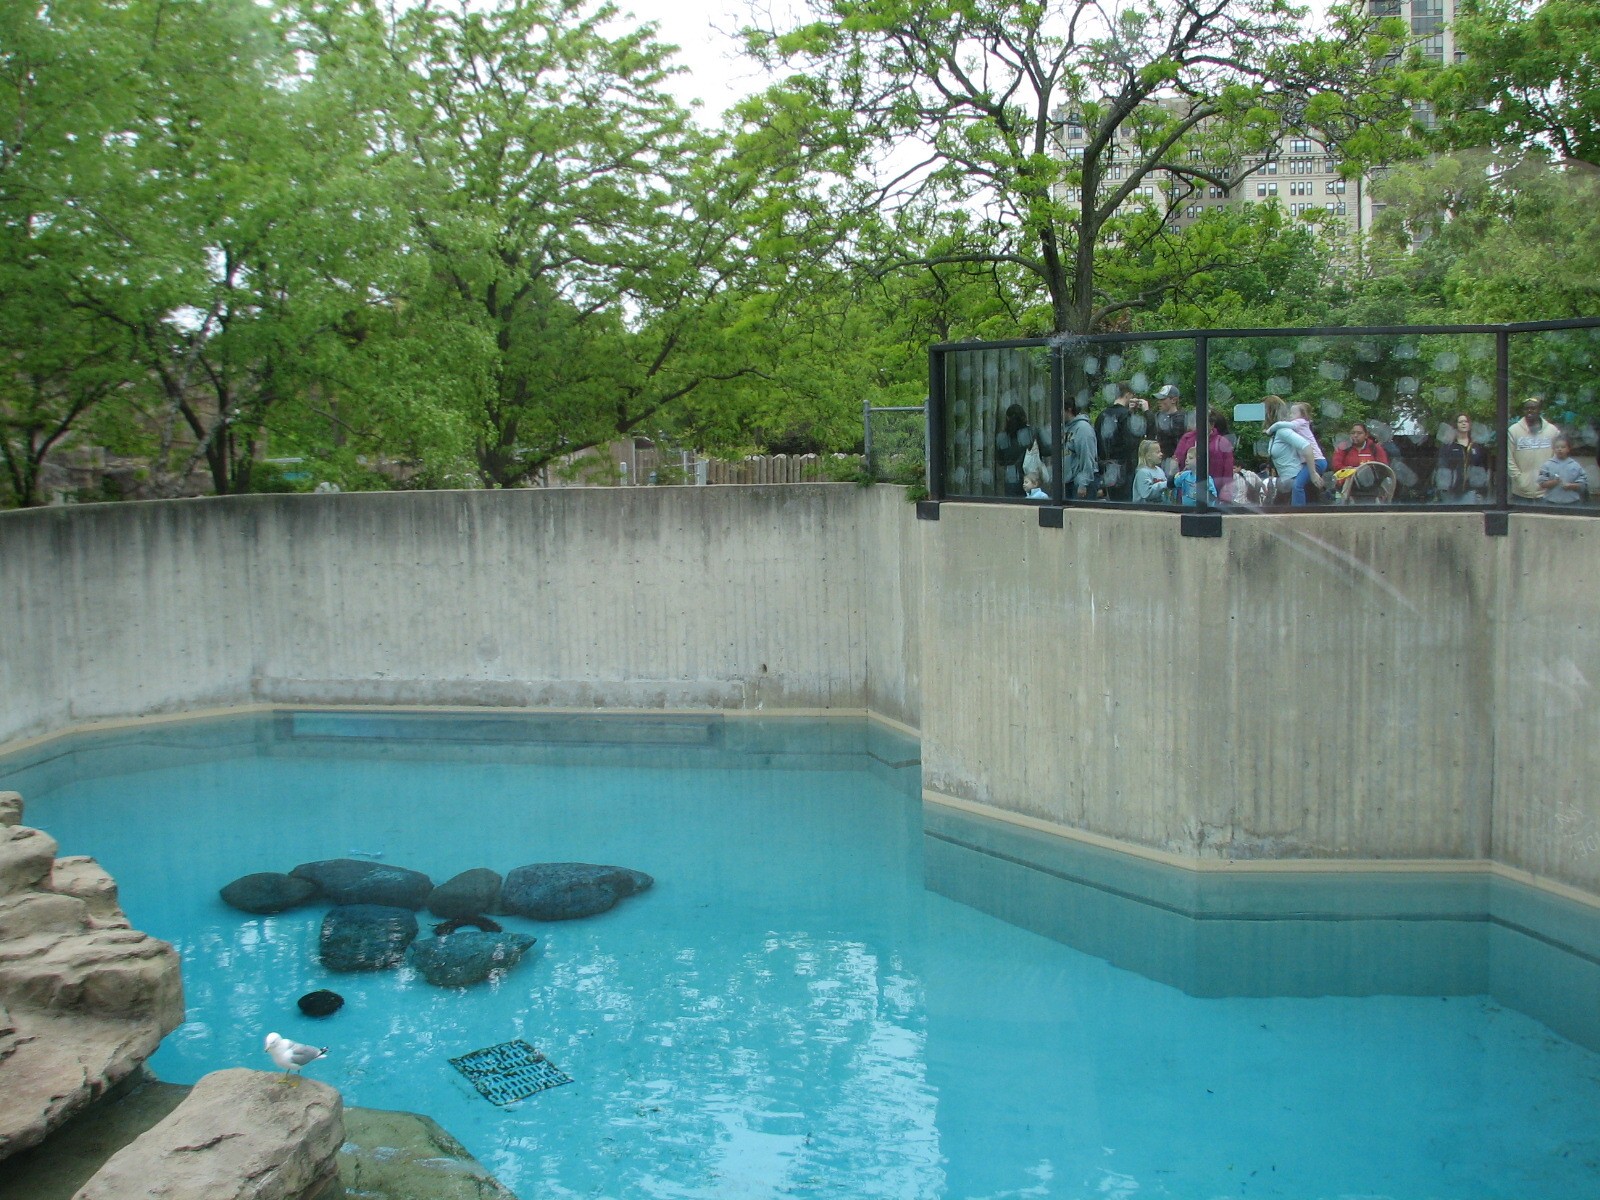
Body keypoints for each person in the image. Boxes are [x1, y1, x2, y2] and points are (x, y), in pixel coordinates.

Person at [1262, 395, 1322, 506]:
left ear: (1269, 412)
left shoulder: (1283, 431)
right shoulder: (1277, 432)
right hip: (1287, 483)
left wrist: (1313, 474)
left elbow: (1307, 447)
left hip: (1294, 482)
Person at [1097, 383, 1146, 501]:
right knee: (1125, 504)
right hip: (1125, 468)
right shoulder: (1125, 415)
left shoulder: (1102, 416)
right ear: (1128, 395)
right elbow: (1131, 443)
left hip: (1105, 466)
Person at [1175, 411, 1237, 502]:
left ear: (1212, 424)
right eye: (1197, 421)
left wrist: (1225, 497)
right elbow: (1177, 462)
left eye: (1203, 422)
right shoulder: (1187, 438)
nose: (1198, 425)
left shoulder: (1222, 442)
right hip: (1187, 495)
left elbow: (1227, 473)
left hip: (1212, 495)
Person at [1508, 397, 1561, 502]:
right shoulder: (1513, 431)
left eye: (1533, 408)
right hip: (1520, 492)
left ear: (1539, 410)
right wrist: (1520, 480)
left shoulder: (1552, 431)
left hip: (1546, 492)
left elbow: (1558, 457)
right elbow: (1509, 459)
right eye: (1526, 408)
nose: (1530, 411)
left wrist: (1550, 479)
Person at [994, 403, 1048, 498]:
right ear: (1024, 417)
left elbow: (1000, 460)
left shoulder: (1001, 437)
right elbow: (1047, 451)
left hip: (1011, 477)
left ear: (1007, 418)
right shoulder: (1032, 432)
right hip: (1031, 477)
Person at [1331, 422, 1394, 503]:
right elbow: (1336, 465)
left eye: (1359, 433)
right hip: (1349, 485)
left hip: (1371, 485)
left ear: (1366, 435)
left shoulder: (1375, 448)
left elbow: (1383, 467)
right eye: (1353, 433)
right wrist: (1347, 470)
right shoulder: (1343, 447)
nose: (1355, 435)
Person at [1435, 413, 1490, 502]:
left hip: (1471, 490)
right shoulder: (1448, 446)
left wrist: (1482, 491)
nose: (1464, 424)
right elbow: (1442, 467)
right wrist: (1442, 488)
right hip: (1451, 491)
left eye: (1466, 421)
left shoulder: (1477, 446)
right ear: (1456, 425)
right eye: (1460, 422)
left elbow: (1483, 468)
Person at [1062, 395, 1100, 500]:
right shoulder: (1065, 428)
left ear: (1068, 410)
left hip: (1081, 482)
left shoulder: (1083, 429)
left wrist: (1083, 483)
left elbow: (1087, 456)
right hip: (1069, 481)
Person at [1537, 434, 1590, 505]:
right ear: (1553, 449)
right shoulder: (1547, 465)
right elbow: (1542, 484)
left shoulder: (1575, 465)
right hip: (1551, 502)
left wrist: (1570, 486)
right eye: (1557, 447)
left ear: (1568, 449)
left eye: (1563, 447)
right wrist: (1554, 482)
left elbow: (1583, 484)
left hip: (1572, 502)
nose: (1560, 449)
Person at [1152, 384, 1189, 463]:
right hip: (1158, 461)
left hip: (1174, 461)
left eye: (1162, 399)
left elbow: (1169, 433)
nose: (1159, 402)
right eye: (1158, 399)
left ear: (1173, 400)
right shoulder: (1157, 415)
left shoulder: (1181, 418)